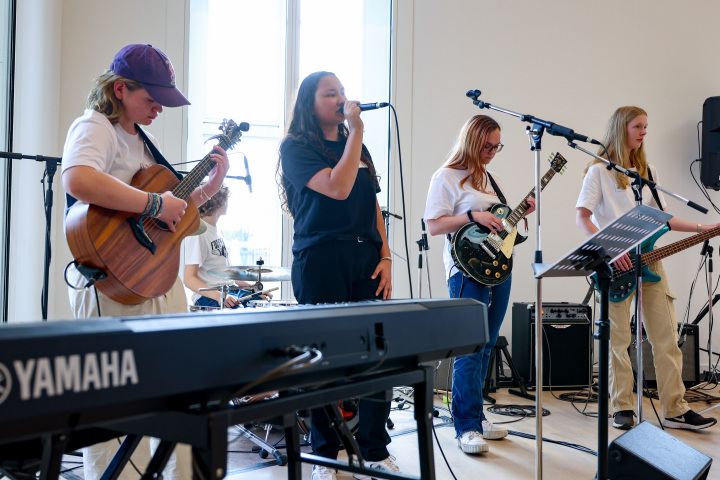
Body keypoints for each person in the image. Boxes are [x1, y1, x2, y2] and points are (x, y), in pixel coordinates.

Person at [61, 44, 230, 480]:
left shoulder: (143, 141)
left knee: (178, 388)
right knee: (114, 402)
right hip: (111, 278)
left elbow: (178, 212)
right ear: (120, 89)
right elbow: (79, 178)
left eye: (162, 101)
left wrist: (213, 184)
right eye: (151, 98)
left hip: (156, 275)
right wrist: (155, 203)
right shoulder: (96, 126)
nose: (158, 108)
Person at [277, 71, 396, 480]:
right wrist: (357, 131)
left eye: (343, 92)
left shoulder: (356, 147)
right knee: (323, 360)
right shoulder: (296, 148)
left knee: (379, 355)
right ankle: (326, 454)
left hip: (366, 260)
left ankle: (375, 451)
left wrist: (386, 256)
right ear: (309, 103)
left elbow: (372, 208)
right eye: (331, 93)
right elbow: (338, 188)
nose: (342, 99)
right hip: (320, 258)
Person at [576, 106, 718, 431]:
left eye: (646, 127)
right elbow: (582, 216)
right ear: (620, 129)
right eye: (638, 126)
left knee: (667, 337)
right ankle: (622, 407)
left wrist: (703, 227)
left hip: (649, 262)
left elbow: (663, 219)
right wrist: (606, 251)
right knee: (618, 340)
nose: (643, 132)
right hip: (615, 266)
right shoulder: (598, 171)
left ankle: (676, 409)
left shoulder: (647, 171)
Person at [424, 114, 535, 454]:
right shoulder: (446, 177)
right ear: (471, 142)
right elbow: (434, 225)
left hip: (499, 270)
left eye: (497, 146)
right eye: (487, 146)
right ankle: (466, 426)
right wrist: (474, 216)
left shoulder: (494, 180)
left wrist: (521, 215)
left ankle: (477, 414)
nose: (492, 152)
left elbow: (506, 233)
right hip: (465, 271)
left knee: (485, 344)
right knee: (469, 347)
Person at [183, 183, 265, 309]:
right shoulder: (198, 233)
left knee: (261, 304)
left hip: (229, 291)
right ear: (219, 203)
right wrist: (219, 296)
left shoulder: (217, 231)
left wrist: (253, 288)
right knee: (245, 316)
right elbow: (188, 279)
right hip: (209, 296)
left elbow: (227, 275)